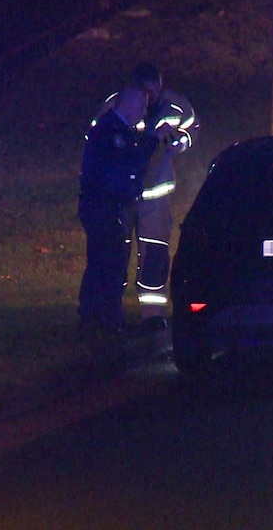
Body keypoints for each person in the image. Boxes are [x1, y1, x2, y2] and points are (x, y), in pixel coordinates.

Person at [91, 63, 199, 343]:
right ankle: (111, 314)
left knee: (155, 253)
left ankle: (153, 314)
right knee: (116, 253)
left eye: (156, 90)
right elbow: (97, 136)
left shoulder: (175, 107)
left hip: (156, 194)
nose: (151, 98)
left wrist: (181, 143)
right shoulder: (117, 105)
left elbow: (191, 127)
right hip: (124, 197)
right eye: (146, 92)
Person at [77, 83, 175, 351]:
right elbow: (127, 165)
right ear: (130, 104)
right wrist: (153, 140)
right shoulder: (112, 131)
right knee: (107, 265)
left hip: (107, 208)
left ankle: (97, 319)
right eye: (142, 106)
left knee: (104, 263)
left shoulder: (117, 129)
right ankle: (104, 321)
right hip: (105, 209)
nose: (145, 111)